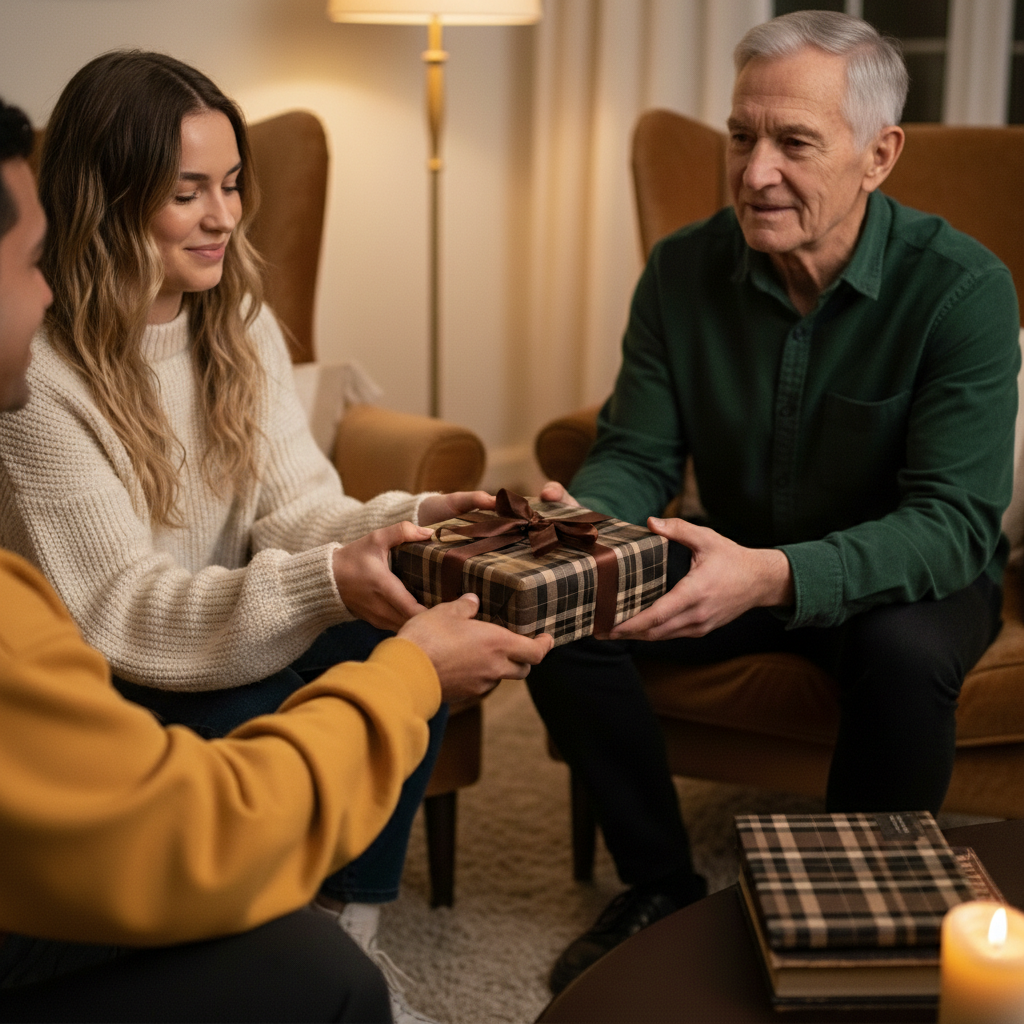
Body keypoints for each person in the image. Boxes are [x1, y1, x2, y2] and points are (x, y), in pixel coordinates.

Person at [0, 94, 553, 1021]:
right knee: (377, 667)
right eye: (187, 194)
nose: (224, 217)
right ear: (105, 203)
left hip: (218, 635)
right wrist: (331, 583)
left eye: (231, 185)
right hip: (118, 688)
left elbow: (299, 508)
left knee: (397, 622)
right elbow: (121, 617)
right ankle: (285, 925)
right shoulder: (37, 373)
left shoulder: (236, 318)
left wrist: (419, 523)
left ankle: (348, 924)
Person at [529, 9, 1021, 995]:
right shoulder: (680, 269)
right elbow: (636, 451)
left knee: (902, 655)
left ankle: (850, 908)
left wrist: (779, 576)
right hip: (727, 552)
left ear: (877, 155)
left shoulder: (962, 289)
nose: (754, 172)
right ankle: (660, 882)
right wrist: (582, 527)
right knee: (559, 611)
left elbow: (950, 523)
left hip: (902, 577)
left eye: (793, 142)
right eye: (741, 136)